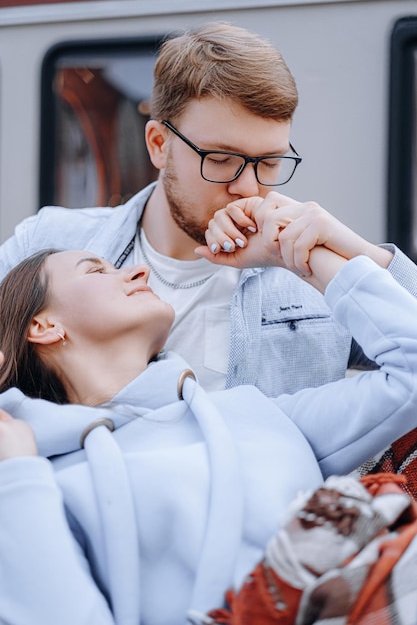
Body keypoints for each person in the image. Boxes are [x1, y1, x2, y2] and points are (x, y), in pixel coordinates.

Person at [0, 204, 417, 624]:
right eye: (95, 271)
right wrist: (16, 477)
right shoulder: (38, 479)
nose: (139, 272)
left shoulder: (254, 412)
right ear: (43, 326)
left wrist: (300, 255)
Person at [0, 21, 417, 399]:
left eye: (269, 162)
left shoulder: (313, 269)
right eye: (220, 159)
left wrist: (356, 250)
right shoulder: (52, 242)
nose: (248, 187)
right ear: (158, 145)